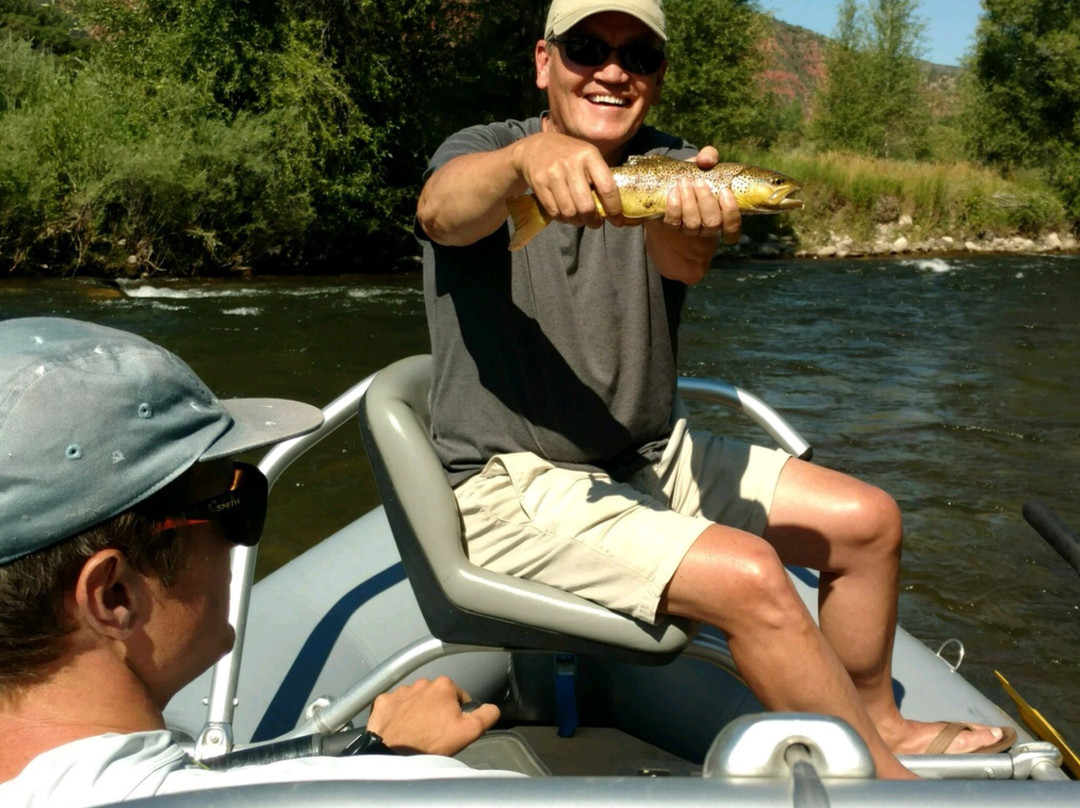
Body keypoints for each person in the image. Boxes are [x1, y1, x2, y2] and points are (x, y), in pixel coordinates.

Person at [415, 0, 1015, 780]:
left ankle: (880, 721)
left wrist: (685, 221)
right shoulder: (484, 151)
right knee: (753, 575)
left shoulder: (679, 168)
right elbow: (442, 210)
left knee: (870, 524)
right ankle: (882, 786)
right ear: (543, 62)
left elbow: (680, 264)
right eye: (587, 48)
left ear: (658, 79)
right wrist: (524, 165)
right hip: (514, 483)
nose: (612, 71)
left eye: (640, 57)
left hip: (649, 457)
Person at [0, 317, 515, 806]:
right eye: (234, 510)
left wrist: (375, 752)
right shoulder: (428, 794)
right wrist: (390, 771)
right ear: (114, 595)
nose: (240, 542)